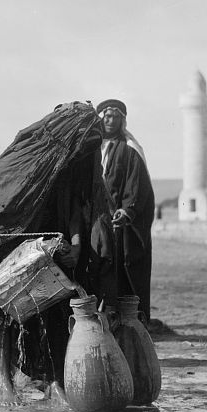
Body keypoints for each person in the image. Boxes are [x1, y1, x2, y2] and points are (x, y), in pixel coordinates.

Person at [0, 101, 113, 405]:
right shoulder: (24, 157)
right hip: (9, 241)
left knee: (55, 309)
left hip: (51, 244)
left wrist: (77, 245)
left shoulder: (75, 164)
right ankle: (5, 383)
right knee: (2, 308)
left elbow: (77, 206)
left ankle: (54, 381)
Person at [91, 99, 156, 324]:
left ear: (122, 120)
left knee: (122, 266)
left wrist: (127, 211)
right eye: (107, 117)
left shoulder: (130, 149)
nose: (111, 121)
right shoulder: (90, 147)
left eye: (116, 117)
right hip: (94, 220)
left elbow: (137, 184)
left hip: (118, 221)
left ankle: (129, 322)